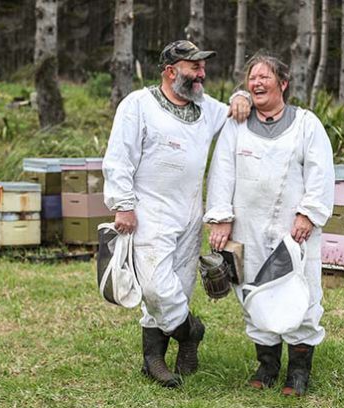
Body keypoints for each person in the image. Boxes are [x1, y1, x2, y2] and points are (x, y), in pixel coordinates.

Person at [102, 40, 251, 388]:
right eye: (193, 67)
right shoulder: (138, 105)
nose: (201, 73)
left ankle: (152, 360)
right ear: (171, 72)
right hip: (147, 211)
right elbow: (118, 157)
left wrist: (242, 94)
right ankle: (190, 332)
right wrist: (122, 204)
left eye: (202, 67)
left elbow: (234, 107)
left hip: (188, 213)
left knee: (181, 288)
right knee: (155, 288)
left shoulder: (206, 108)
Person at [204, 53, 335, 396]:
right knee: (253, 291)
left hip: (295, 230)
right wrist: (220, 218)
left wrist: (308, 213)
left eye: (264, 77)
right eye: (252, 78)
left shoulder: (307, 124)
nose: (257, 82)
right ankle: (267, 364)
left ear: (283, 84)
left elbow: (320, 173)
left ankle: (298, 372)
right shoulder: (235, 126)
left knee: (301, 291)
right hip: (248, 226)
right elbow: (221, 173)